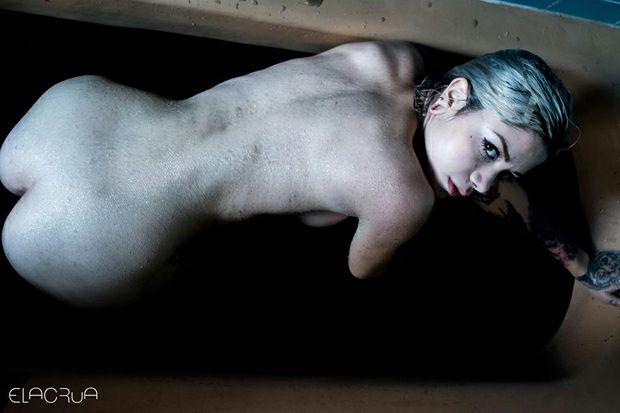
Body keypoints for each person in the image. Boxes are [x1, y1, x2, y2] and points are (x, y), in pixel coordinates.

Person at [0, 41, 617, 307]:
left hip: (76, 114)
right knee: (181, 275)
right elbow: (360, 269)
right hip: (98, 239)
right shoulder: (404, 199)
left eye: (505, 172)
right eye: (488, 149)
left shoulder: (390, 60)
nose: (484, 183)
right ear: (454, 96)